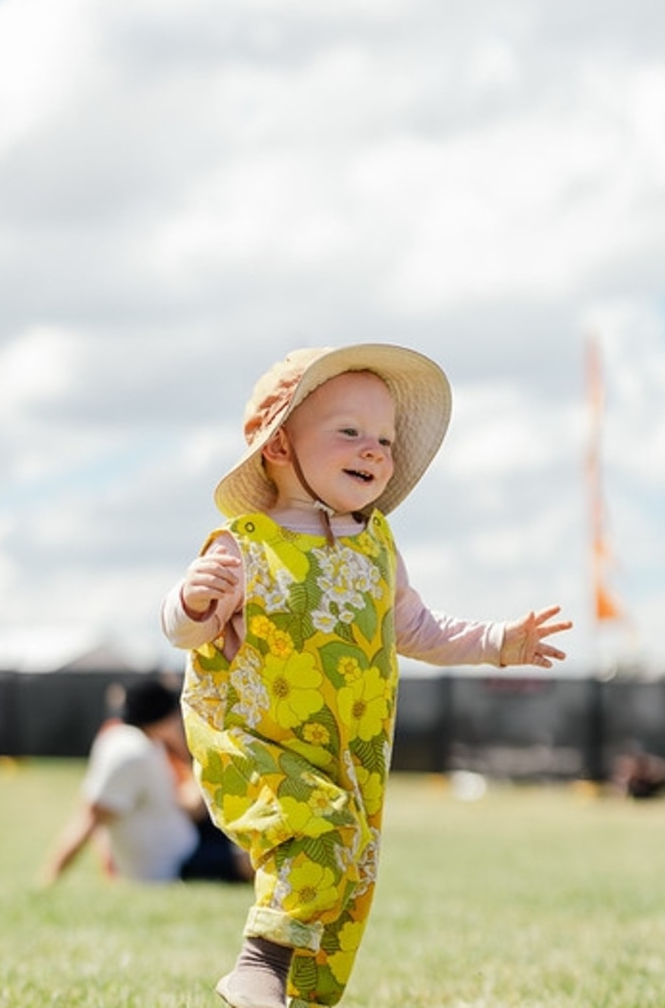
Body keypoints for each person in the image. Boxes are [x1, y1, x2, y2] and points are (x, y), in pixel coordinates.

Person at [161, 344, 572, 1008]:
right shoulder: (246, 542)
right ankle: (255, 964)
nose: (376, 449)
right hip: (254, 740)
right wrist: (188, 600)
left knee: (348, 874)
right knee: (319, 829)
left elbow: (416, 628)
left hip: (346, 754)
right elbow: (188, 631)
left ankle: (295, 993)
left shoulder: (377, 545)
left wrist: (500, 642)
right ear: (278, 448)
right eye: (350, 431)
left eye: (384, 437)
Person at [40, 676, 252, 885]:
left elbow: (186, 806)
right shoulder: (130, 751)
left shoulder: (141, 744)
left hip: (184, 844)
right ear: (165, 717)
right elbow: (90, 819)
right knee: (251, 858)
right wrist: (50, 878)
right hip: (177, 863)